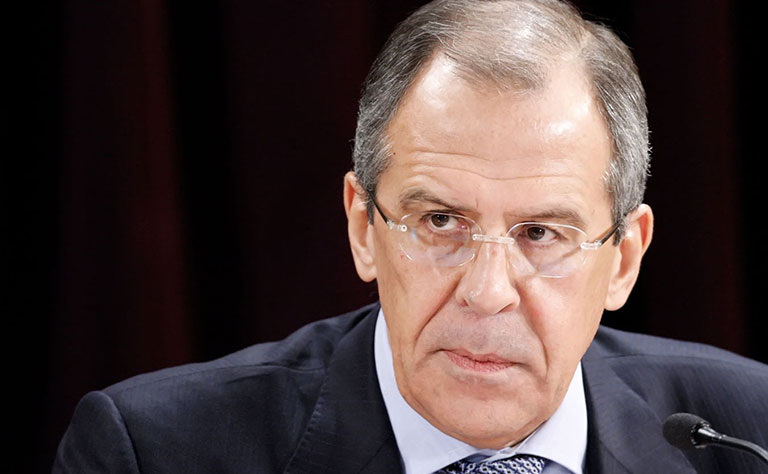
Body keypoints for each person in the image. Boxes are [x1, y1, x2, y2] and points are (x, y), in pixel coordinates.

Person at [53, 0, 768, 473]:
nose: (487, 293)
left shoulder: (749, 431)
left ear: (624, 259)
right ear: (363, 227)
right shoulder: (151, 452)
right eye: (440, 222)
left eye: (540, 233)